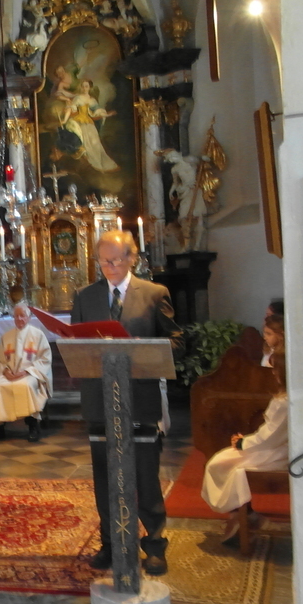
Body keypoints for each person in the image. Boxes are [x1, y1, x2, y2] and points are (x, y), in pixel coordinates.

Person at [71, 230, 183, 575]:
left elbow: (176, 341)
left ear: (132, 257)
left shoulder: (154, 293)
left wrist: (140, 349)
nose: (110, 267)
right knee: (106, 478)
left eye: (117, 260)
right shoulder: (85, 296)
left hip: (140, 398)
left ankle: (154, 545)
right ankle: (112, 544)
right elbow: (74, 343)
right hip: (99, 398)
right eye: (104, 261)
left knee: (145, 477)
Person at [201, 350, 289, 545]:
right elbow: (269, 434)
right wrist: (246, 441)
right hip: (275, 447)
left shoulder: (285, 402)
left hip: (278, 452)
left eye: (276, 370)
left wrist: (243, 443)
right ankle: (243, 514)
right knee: (222, 460)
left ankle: (242, 515)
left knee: (221, 463)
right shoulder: (286, 398)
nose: (273, 373)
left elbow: (270, 436)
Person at [0, 302, 53, 443]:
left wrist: (26, 371)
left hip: (31, 374)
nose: (19, 319)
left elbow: (45, 359)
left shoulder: (38, 335)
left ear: (29, 317)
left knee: (25, 386)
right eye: (16, 316)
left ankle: (33, 425)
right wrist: (5, 371)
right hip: (9, 375)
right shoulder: (7, 337)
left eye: (22, 315)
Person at [60, 79, 118, 172]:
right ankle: (92, 163)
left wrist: (107, 114)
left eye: (86, 86)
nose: (84, 88)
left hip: (89, 122)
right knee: (87, 143)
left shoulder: (92, 100)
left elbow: (98, 111)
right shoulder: (78, 98)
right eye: (82, 86)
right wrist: (65, 119)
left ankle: (102, 164)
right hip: (79, 121)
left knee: (96, 143)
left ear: (90, 87)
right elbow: (71, 109)